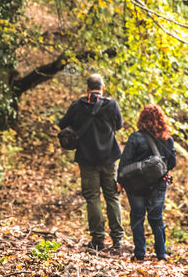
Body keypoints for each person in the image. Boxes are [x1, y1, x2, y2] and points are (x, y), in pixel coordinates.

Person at [58, 74, 124, 252]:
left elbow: (62, 124)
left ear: (87, 88)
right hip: (110, 157)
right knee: (112, 196)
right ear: (102, 88)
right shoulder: (112, 105)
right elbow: (119, 126)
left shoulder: (78, 105)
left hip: (87, 158)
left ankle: (98, 240)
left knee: (92, 197)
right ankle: (117, 239)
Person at [117, 104, 177, 261]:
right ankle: (161, 253)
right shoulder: (167, 140)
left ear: (142, 119)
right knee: (156, 218)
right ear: (161, 120)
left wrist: (120, 181)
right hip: (159, 184)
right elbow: (172, 162)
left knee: (137, 217)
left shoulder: (135, 138)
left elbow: (125, 162)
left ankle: (139, 253)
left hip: (136, 186)